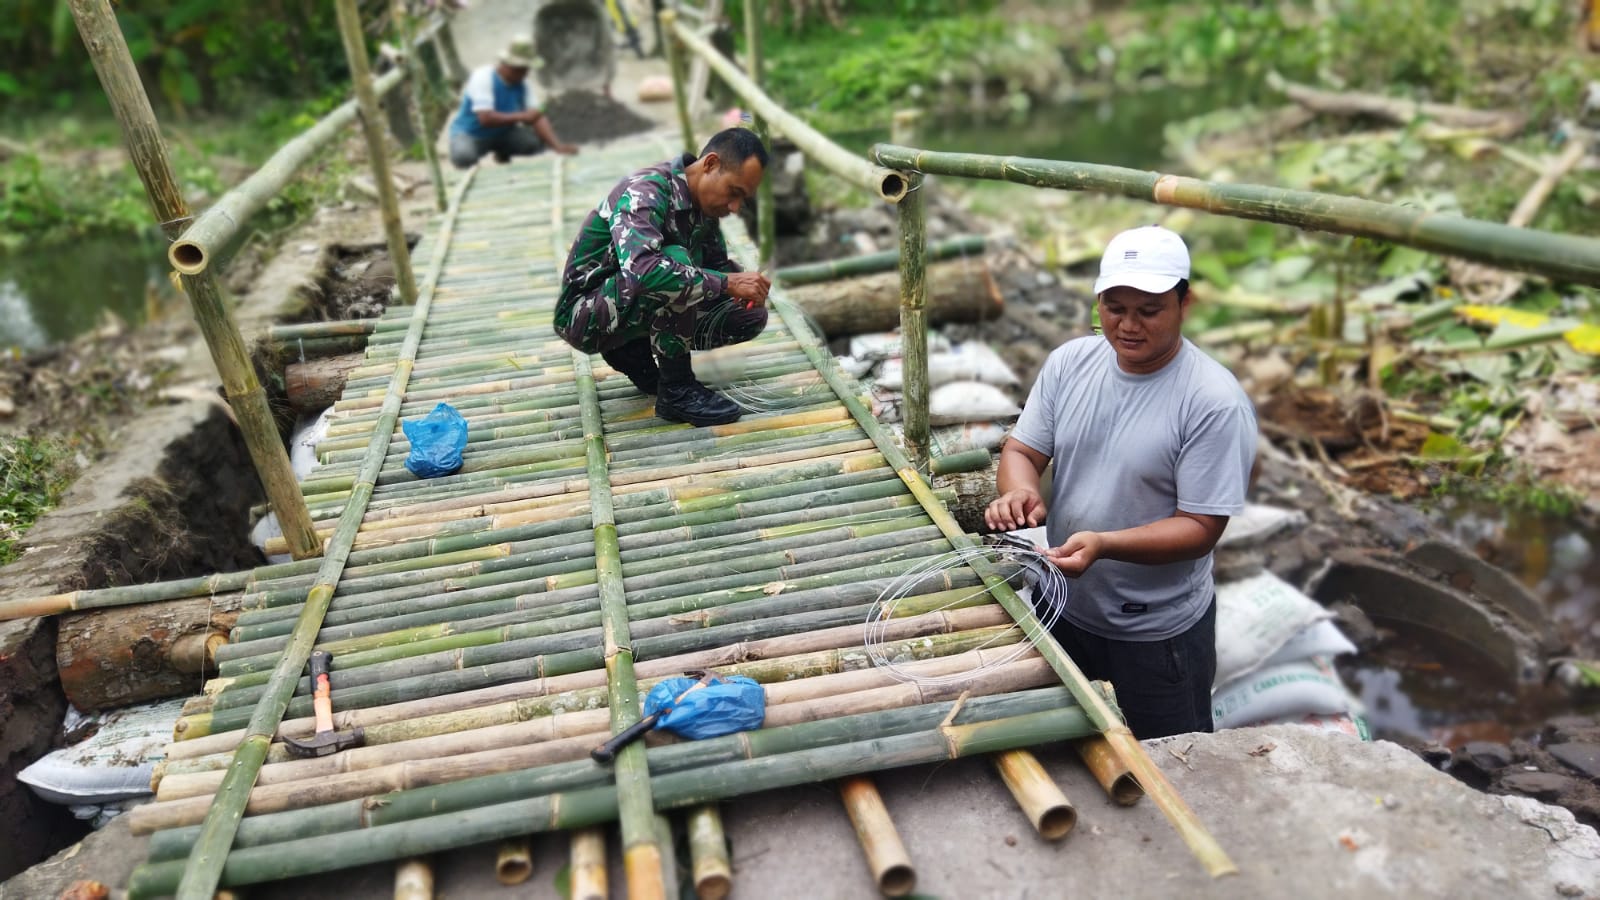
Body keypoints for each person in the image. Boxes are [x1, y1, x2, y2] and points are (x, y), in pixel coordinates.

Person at [983, 225, 1257, 740]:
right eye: (1114, 308)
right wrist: (1018, 491)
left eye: (1148, 311)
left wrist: (1105, 545)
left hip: (1154, 636)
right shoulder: (1071, 363)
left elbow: (1200, 527)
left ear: (1184, 303)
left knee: (1173, 761)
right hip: (1059, 604)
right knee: (1075, 749)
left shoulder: (1212, 402)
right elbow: (1022, 450)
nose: (1127, 326)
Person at [553, 127, 773, 427]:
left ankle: (633, 353)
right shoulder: (646, 191)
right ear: (709, 164)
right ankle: (677, 390)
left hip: (630, 303)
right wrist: (727, 283)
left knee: (746, 314)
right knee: (673, 264)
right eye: (734, 192)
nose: (734, 208)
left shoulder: (705, 209)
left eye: (743, 200)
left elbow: (717, 268)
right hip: (585, 316)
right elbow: (643, 272)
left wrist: (742, 286)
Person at [448, 35, 577, 169]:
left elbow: (537, 116)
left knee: (534, 143)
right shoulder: (483, 77)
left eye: (525, 69)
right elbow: (485, 118)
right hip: (471, 134)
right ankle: (472, 165)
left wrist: (557, 146)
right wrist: (523, 116)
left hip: (503, 133)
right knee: (463, 156)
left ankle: (502, 151)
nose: (523, 74)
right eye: (519, 69)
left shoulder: (524, 84)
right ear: (506, 64)